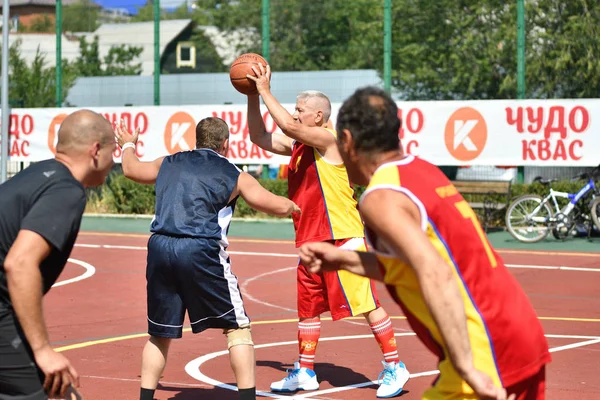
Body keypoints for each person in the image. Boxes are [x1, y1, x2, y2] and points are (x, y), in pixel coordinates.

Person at [299, 86, 551, 400]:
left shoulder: (381, 197)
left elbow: (436, 273)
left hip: (485, 350)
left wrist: (466, 366)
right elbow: (415, 264)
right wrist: (345, 260)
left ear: (347, 141)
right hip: (519, 329)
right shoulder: (424, 172)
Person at [246, 64, 409, 398]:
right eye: (295, 109)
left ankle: (395, 366)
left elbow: (288, 126)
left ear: (318, 116)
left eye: (301, 110)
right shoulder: (299, 146)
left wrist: (264, 89)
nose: (295, 114)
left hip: (342, 235)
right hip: (310, 238)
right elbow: (258, 137)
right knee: (308, 308)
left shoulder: (327, 139)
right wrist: (251, 97)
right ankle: (305, 370)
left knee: (366, 304)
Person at [114, 117, 300, 400]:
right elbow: (274, 205)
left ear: (197, 140)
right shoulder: (234, 174)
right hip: (200, 250)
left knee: (160, 333)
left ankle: (145, 397)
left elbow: (130, 168)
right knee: (237, 329)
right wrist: (298, 206)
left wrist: (128, 143)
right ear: (226, 144)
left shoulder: (169, 162)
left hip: (160, 247)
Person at [0, 110, 116, 399]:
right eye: (114, 150)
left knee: (62, 393)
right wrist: (43, 350)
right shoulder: (67, 191)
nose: (114, 161)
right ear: (96, 150)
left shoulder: (38, 174)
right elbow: (20, 262)